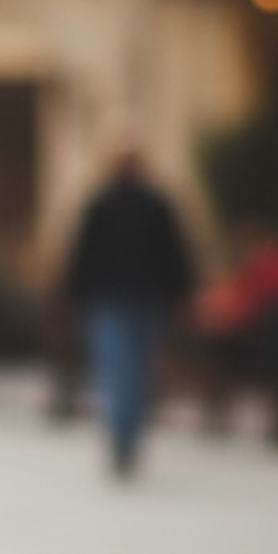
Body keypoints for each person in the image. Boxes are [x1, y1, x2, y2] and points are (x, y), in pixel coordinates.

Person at [61, 138, 196, 475]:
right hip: (126, 300)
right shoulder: (140, 204)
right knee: (129, 372)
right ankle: (125, 436)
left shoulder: (115, 204)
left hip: (126, 300)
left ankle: (125, 436)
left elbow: (82, 260)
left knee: (122, 372)